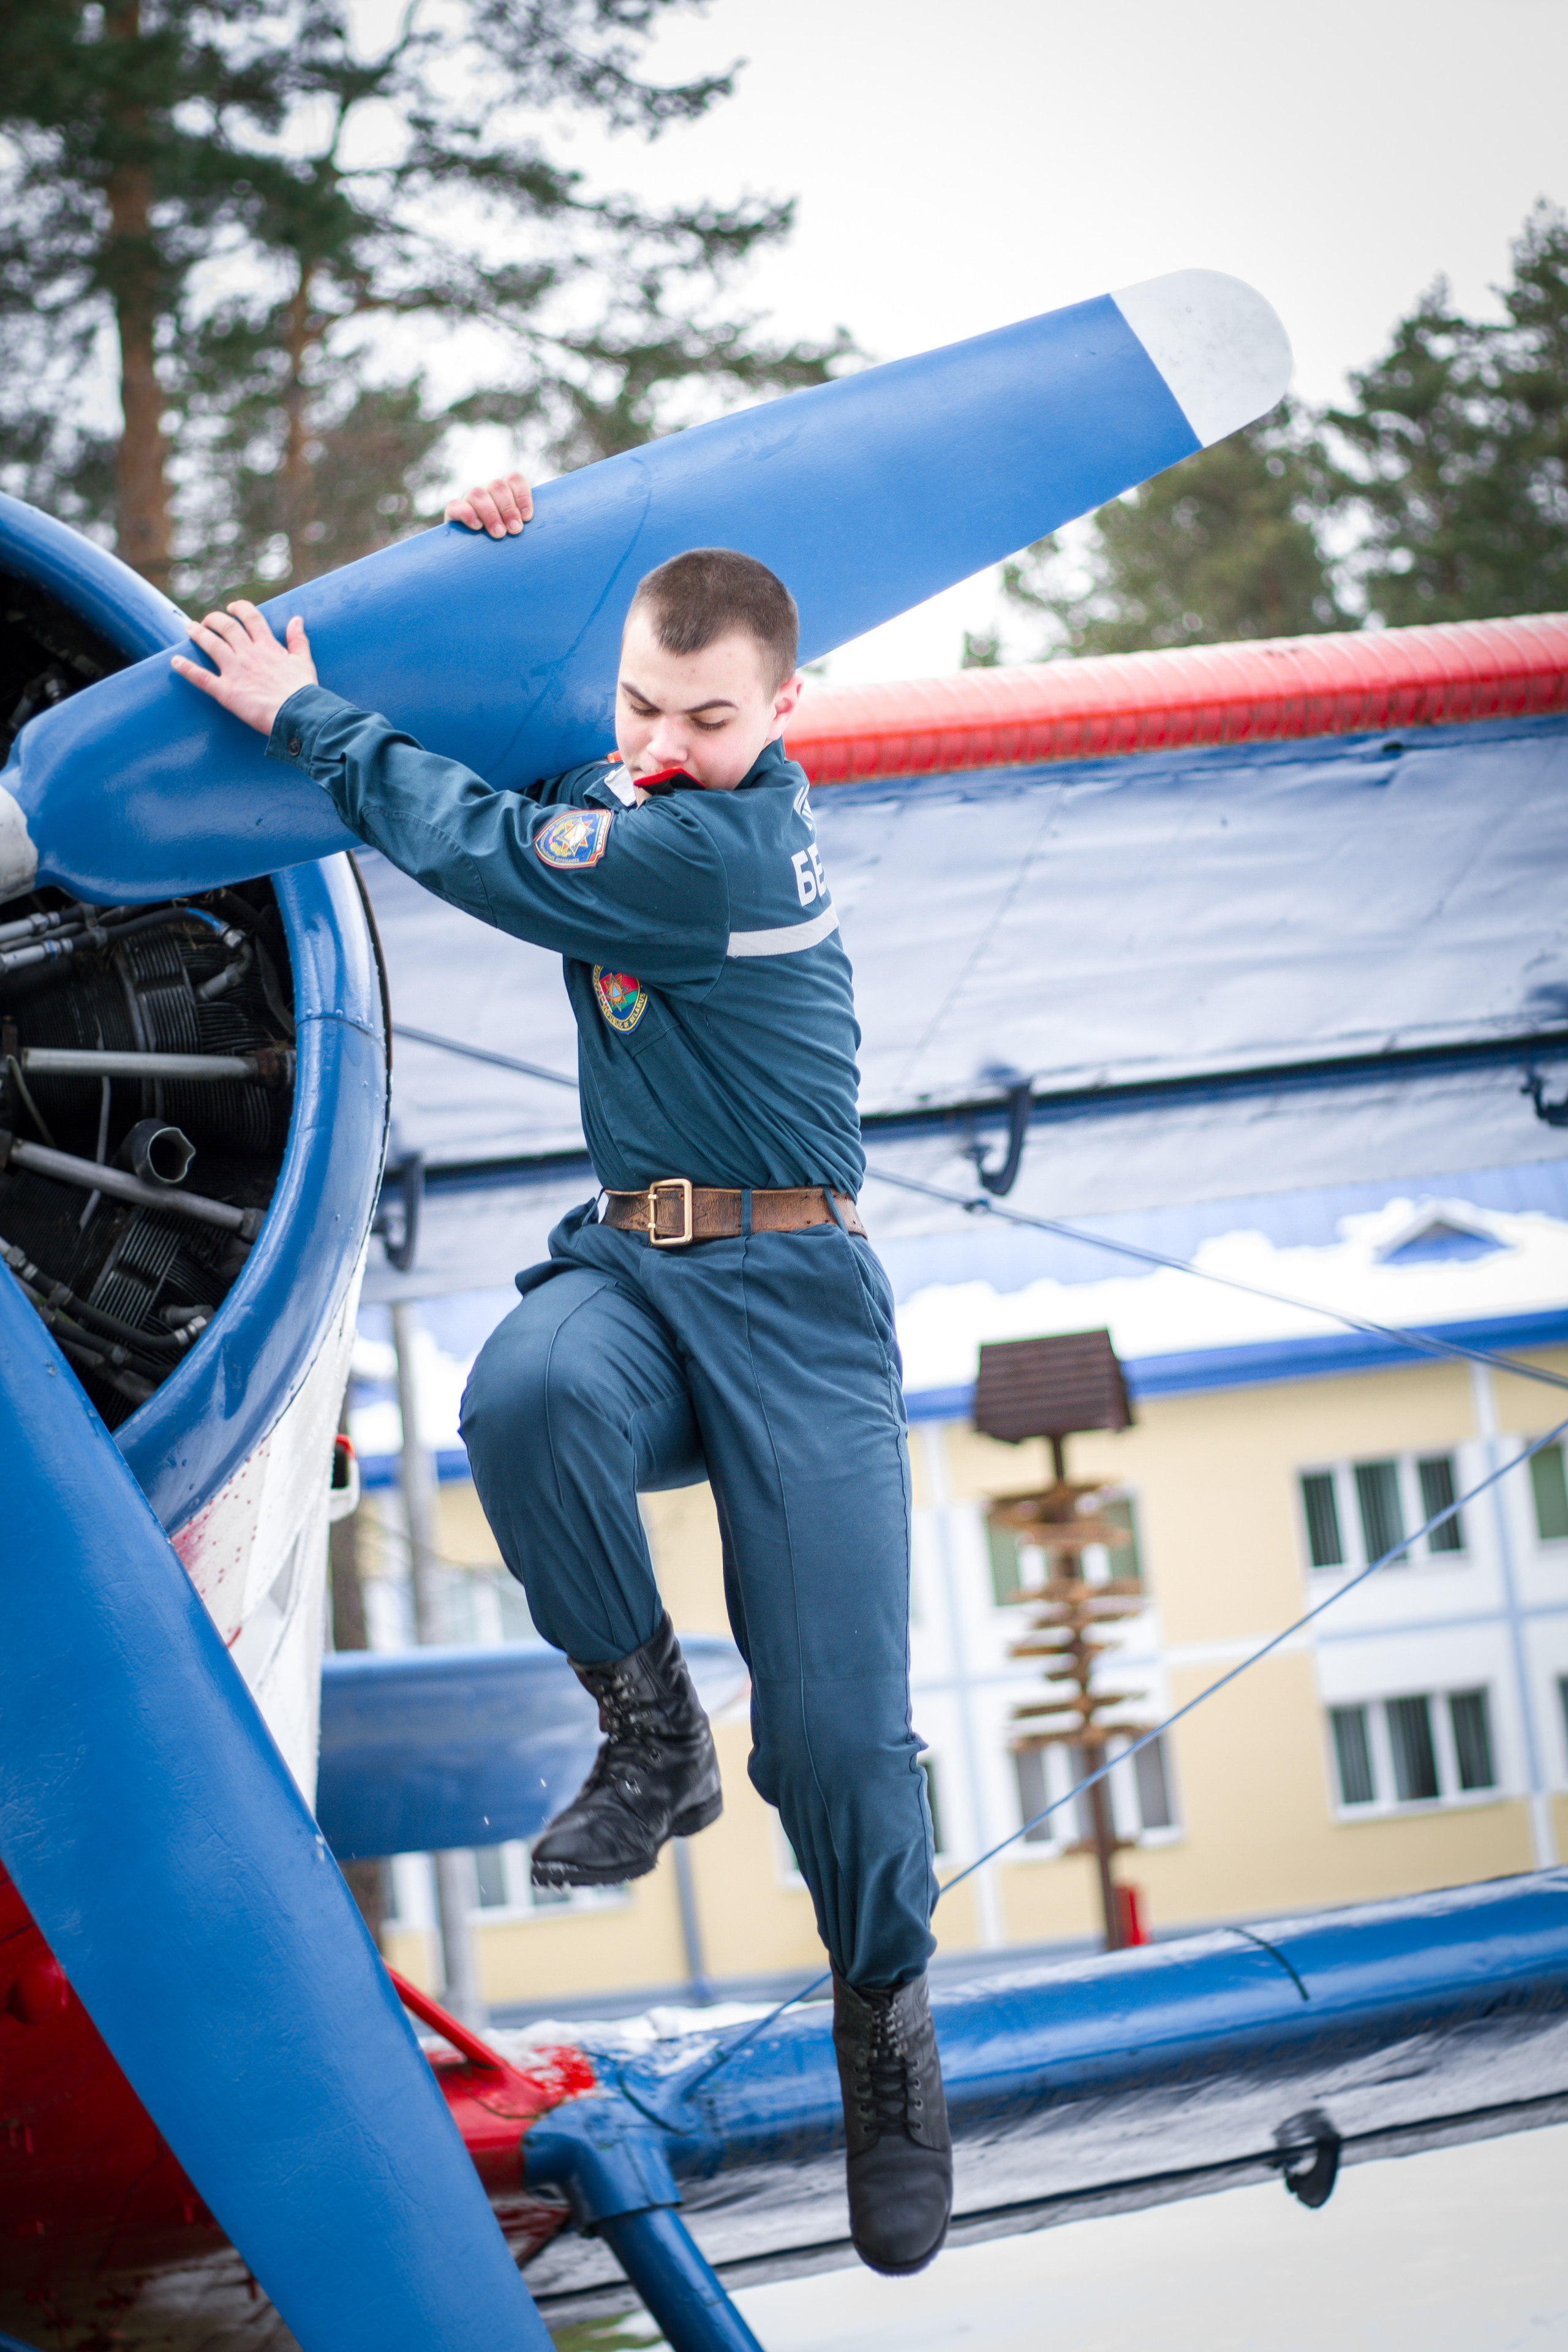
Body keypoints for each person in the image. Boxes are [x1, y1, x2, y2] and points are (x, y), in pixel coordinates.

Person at [170, 473, 952, 2278]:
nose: (665, 747)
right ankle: (652, 1729)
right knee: (523, 1394)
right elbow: (506, 713)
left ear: (785, 710)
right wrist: (483, 542)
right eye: (640, 707)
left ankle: (887, 2022)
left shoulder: (715, 850)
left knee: (838, 1740)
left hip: (797, 1299)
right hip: (635, 1267)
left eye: (710, 719)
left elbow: (474, 842)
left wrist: (307, 717)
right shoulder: (629, 778)